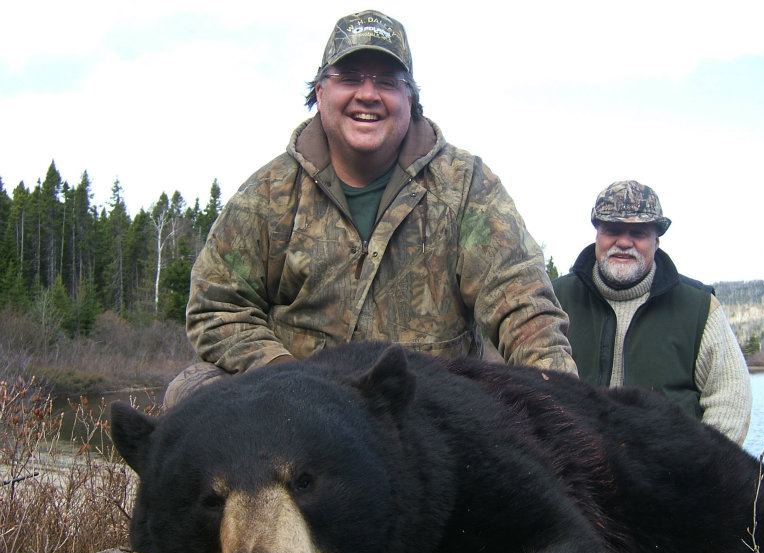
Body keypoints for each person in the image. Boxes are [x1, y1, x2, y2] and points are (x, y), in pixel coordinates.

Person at [166, 9, 575, 407]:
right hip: (300, 417)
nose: (368, 94)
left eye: (386, 81)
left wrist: (565, 409)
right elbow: (216, 306)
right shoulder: (270, 192)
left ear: (409, 98)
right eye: (349, 78)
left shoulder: (466, 186)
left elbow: (522, 305)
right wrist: (287, 376)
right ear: (321, 91)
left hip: (425, 418)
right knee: (193, 390)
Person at [553, 181, 752, 444]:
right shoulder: (552, 300)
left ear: (656, 240)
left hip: (668, 478)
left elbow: (731, 403)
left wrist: (697, 471)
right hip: (569, 475)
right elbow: (516, 389)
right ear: (597, 235)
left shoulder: (700, 308)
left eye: (638, 233)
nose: (624, 242)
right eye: (612, 229)